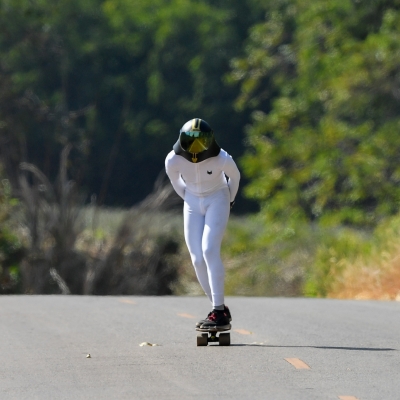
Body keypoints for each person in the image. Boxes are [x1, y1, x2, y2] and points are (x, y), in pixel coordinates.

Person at [165, 118, 240, 331]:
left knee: (209, 250)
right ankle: (219, 309)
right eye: (191, 142)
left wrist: (230, 200)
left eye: (200, 142)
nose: (196, 148)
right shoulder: (173, 160)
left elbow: (234, 177)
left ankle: (217, 311)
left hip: (217, 197)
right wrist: (190, 198)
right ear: (183, 141)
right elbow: (176, 182)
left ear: (209, 142)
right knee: (197, 258)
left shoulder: (222, 158)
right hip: (191, 201)